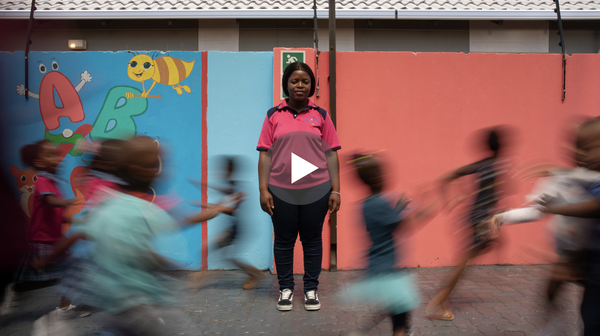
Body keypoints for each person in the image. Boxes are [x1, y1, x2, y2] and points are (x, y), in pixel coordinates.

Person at [43, 136, 243, 335]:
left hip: (110, 297)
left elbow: (82, 233)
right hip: (139, 298)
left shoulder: (109, 203)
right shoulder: (147, 208)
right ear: (144, 171)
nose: (164, 169)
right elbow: (178, 225)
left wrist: (49, 256)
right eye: (158, 163)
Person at [257, 62, 341, 311]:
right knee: (283, 241)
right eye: (295, 81)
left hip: (317, 189)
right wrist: (263, 189)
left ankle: (311, 289)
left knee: (312, 240)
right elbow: (265, 155)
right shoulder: (274, 115)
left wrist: (335, 189)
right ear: (286, 84)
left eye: (305, 81)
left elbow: (332, 155)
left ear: (312, 85)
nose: (300, 85)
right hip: (280, 190)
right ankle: (285, 289)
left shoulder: (321, 115)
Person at [348, 152, 439, 336]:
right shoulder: (380, 204)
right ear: (375, 178)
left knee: (395, 307)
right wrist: (428, 209)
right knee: (401, 318)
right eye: (382, 173)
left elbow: (386, 222)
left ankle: (360, 332)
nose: (385, 177)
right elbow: (403, 226)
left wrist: (397, 208)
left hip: (379, 266)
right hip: (387, 270)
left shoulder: (367, 204)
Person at [426, 127, 509, 320]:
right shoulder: (498, 166)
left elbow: (448, 177)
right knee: (463, 263)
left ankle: (439, 301)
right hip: (481, 219)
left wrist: (453, 195)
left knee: (469, 258)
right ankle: (437, 304)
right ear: (501, 146)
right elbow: (495, 196)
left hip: (476, 217)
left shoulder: (483, 164)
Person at [537, 118, 600, 336]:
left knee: (594, 317)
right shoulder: (591, 178)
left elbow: (594, 207)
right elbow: (574, 176)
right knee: (590, 316)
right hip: (592, 265)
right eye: (577, 147)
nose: (579, 154)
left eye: (587, 148)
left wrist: (557, 207)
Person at [12, 140, 80, 314]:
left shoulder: (53, 182)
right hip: (43, 239)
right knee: (26, 273)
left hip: (54, 238)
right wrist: (67, 201)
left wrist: (80, 221)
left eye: (57, 155)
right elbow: (48, 201)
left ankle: (65, 309)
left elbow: (58, 214)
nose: (58, 159)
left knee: (70, 271)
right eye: (51, 155)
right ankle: (11, 289)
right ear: (39, 162)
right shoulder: (42, 180)